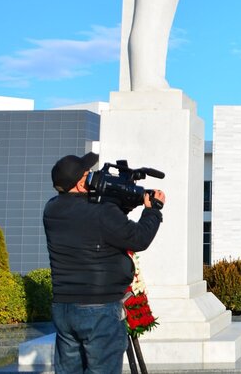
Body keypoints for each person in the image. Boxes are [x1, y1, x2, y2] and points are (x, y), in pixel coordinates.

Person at [43, 153, 166, 373]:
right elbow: (138, 238)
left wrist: (121, 202)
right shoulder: (101, 213)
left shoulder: (51, 210)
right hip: (99, 309)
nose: (94, 177)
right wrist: (153, 210)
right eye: (88, 174)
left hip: (64, 308)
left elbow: (95, 225)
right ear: (81, 184)